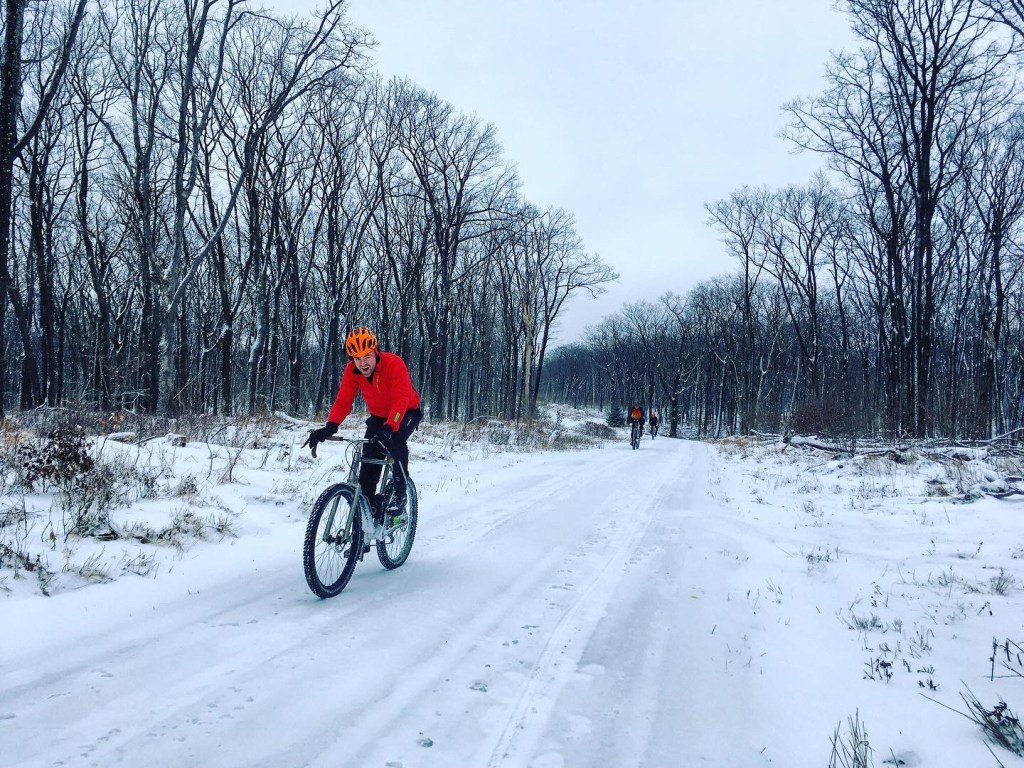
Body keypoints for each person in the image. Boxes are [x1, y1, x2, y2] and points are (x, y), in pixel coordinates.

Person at [305, 326, 423, 524]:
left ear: (375, 351)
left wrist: (390, 427)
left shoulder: (394, 363)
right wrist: (330, 427)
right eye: (357, 358)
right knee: (369, 457)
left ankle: (400, 491)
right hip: (379, 416)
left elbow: (401, 400)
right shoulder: (352, 371)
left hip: (406, 411)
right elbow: (343, 401)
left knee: (395, 441)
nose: (362, 363)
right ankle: (367, 510)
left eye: (367, 356)